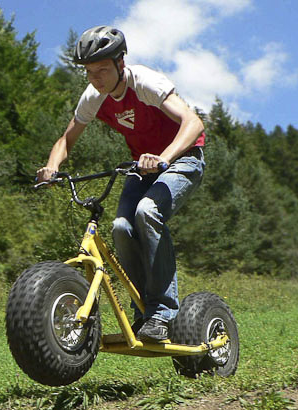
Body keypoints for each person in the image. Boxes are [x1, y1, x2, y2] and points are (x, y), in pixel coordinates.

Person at [37, 25, 206, 342]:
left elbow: (193, 122)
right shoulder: (93, 97)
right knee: (119, 227)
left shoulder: (145, 83)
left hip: (184, 156)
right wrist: (51, 166)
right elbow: (66, 139)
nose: (95, 78)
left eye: (102, 70)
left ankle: (164, 312)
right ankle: (145, 311)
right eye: (89, 71)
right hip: (143, 167)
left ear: (120, 64)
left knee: (147, 212)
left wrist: (163, 157)